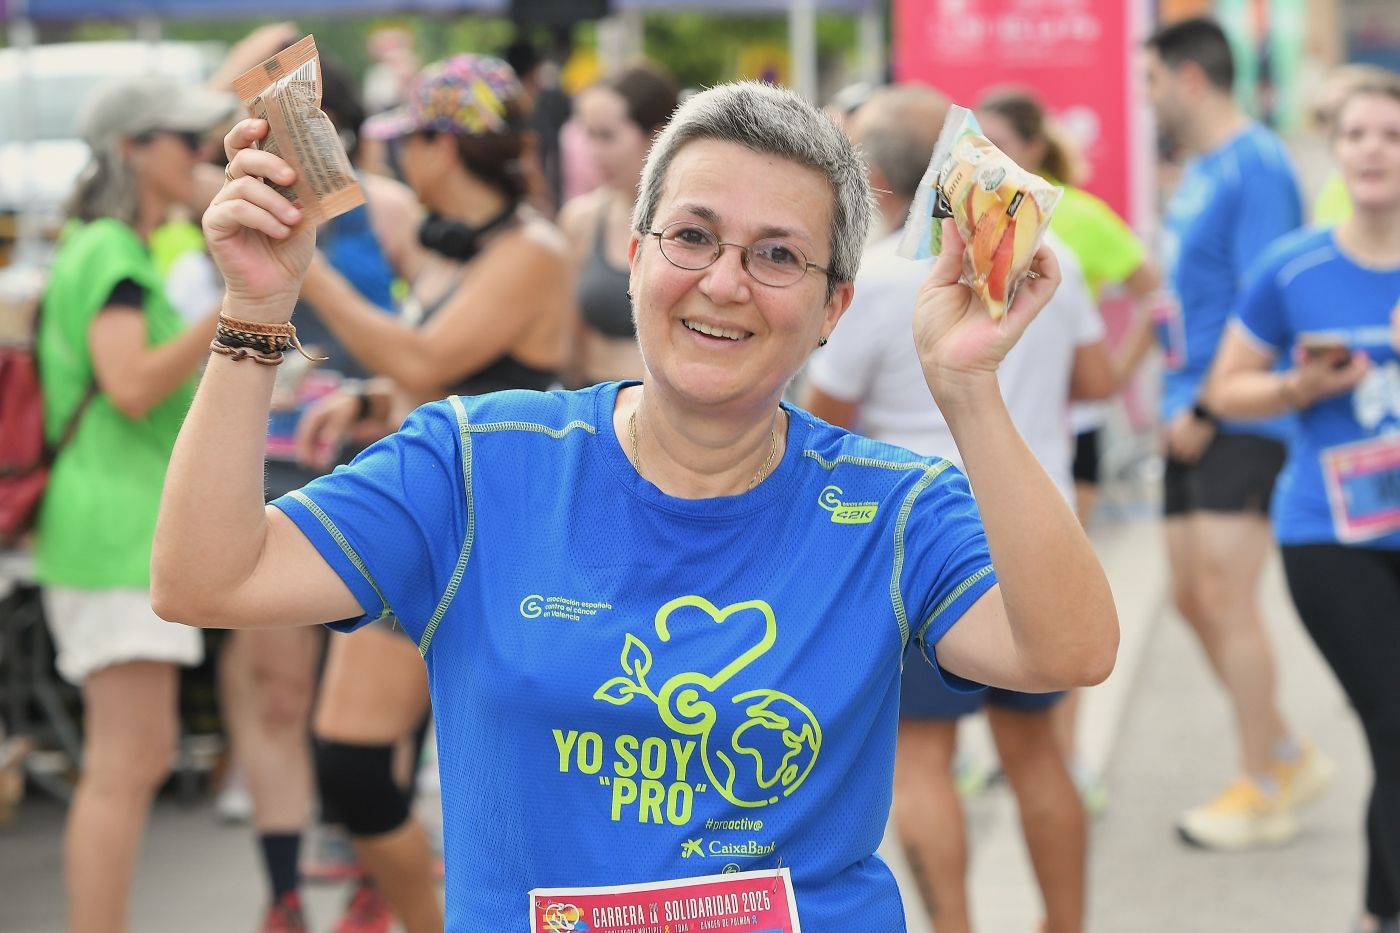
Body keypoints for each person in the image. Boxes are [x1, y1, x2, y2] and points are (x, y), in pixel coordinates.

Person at [152, 79, 1118, 932]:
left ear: (834, 307)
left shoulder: (892, 507)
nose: (725, 282)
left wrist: (970, 392)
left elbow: (1069, 649)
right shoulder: (479, 461)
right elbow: (206, 576)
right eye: (693, 236)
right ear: (635, 254)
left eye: (779, 255)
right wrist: (254, 311)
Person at [804, 84, 1115, 933]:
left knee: (921, 762)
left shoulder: (872, 281)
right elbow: (1098, 384)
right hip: (1032, 524)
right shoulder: (1045, 252)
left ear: (870, 178)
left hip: (918, 540)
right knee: (1040, 758)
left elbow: (819, 430)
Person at [279, 54, 572, 933]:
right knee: (359, 767)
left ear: (448, 145)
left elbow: (426, 360)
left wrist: (302, 264)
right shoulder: (455, 245)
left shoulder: (533, 250)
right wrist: (370, 400)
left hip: (486, 535)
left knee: (378, 768)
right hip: (427, 519)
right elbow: (438, 374)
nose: (401, 156)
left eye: (410, 140)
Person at [213, 51, 430, 933]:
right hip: (272, 442)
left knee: (376, 680)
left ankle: (378, 858)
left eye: (261, 94)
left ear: (312, 111)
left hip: (370, 454)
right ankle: (284, 886)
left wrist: (386, 393)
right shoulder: (244, 200)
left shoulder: (391, 209)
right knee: (276, 682)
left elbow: (435, 329)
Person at [34, 74, 232, 933]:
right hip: (113, 527)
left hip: (110, 524)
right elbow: (129, 385)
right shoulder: (112, 252)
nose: (199, 156)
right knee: (125, 762)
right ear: (131, 150)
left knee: (134, 756)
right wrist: (235, 307)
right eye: (183, 141)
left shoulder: (107, 246)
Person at [1209, 72, 1400, 933]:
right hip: (1331, 533)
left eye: (1392, 136)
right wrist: (1296, 386)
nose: (1373, 150)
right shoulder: (1294, 267)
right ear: (1335, 146)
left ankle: (1373, 912)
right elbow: (1225, 390)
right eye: (1358, 134)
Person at [1140, 16, 1332, 850]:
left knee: (1227, 594)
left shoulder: (1255, 163)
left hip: (1237, 410)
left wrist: (1213, 406)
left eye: (1150, 80)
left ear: (1188, 78)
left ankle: (1264, 779)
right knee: (1191, 595)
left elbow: (1270, 296)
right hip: (1187, 404)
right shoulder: (1198, 171)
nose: (1144, 97)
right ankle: (1284, 751)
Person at [975, 85, 1164, 810]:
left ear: (1031, 146)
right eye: (975, 143)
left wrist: (1113, 373)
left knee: (1053, 596)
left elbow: (1154, 291)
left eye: (998, 141)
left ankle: (1069, 753)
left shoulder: (1077, 216)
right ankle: (1015, 751)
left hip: (1066, 436)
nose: (985, 157)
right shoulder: (965, 218)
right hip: (988, 424)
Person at [557, 64, 678, 385]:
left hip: (680, 413)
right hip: (599, 403)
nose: (594, 152)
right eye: (589, 135)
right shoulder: (581, 219)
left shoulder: (695, 222)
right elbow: (570, 340)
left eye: (607, 136)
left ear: (656, 135)